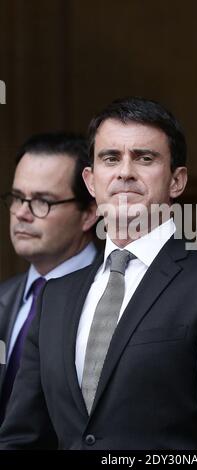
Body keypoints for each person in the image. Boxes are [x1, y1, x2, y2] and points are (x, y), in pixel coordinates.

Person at [0, 98, 197, 449]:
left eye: (144, 158)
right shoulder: (56, 295)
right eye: (111, 158)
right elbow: (22, 438)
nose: (125, 171)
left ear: (176, 181)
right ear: (91, 181)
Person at [0, 132, 99, 423]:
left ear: (89, 213)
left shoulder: (116, 296)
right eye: (17, 197)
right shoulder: (4, 298)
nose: (21, 213)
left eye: (43, 201)